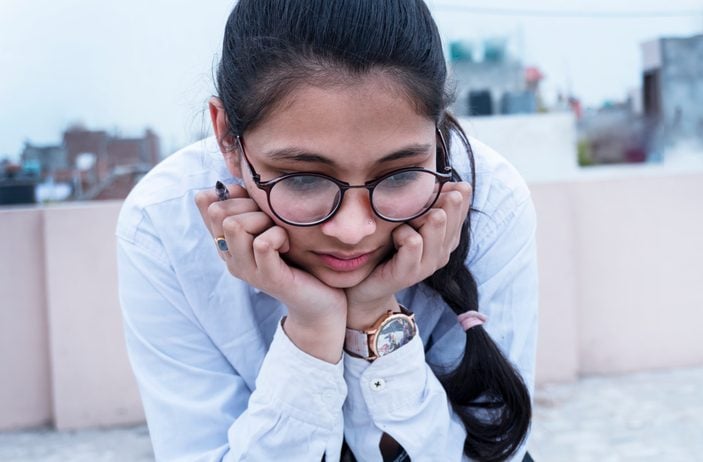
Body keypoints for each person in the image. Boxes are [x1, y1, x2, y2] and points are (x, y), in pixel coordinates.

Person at [116, 0, 538, 460]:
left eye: (398, 175)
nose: (353, 230)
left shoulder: (488, 200)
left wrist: (375, 319)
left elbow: (498, 450)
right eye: (303, 178)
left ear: (436, 136)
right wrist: (312, 329)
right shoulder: (161, 225)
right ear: (226, 139)